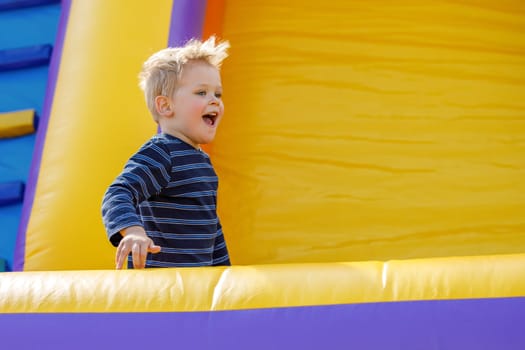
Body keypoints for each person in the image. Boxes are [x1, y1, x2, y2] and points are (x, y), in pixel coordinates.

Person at [101, 36, 231, 269]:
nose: (214, 101)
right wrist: (133, 232)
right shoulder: (162, 152)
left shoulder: (200, 161)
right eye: (201, 93)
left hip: (195, 288)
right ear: (165, 106)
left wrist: (223, 273)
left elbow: (210, 225)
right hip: (161, 288)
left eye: (218, 94)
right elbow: (118, 193)